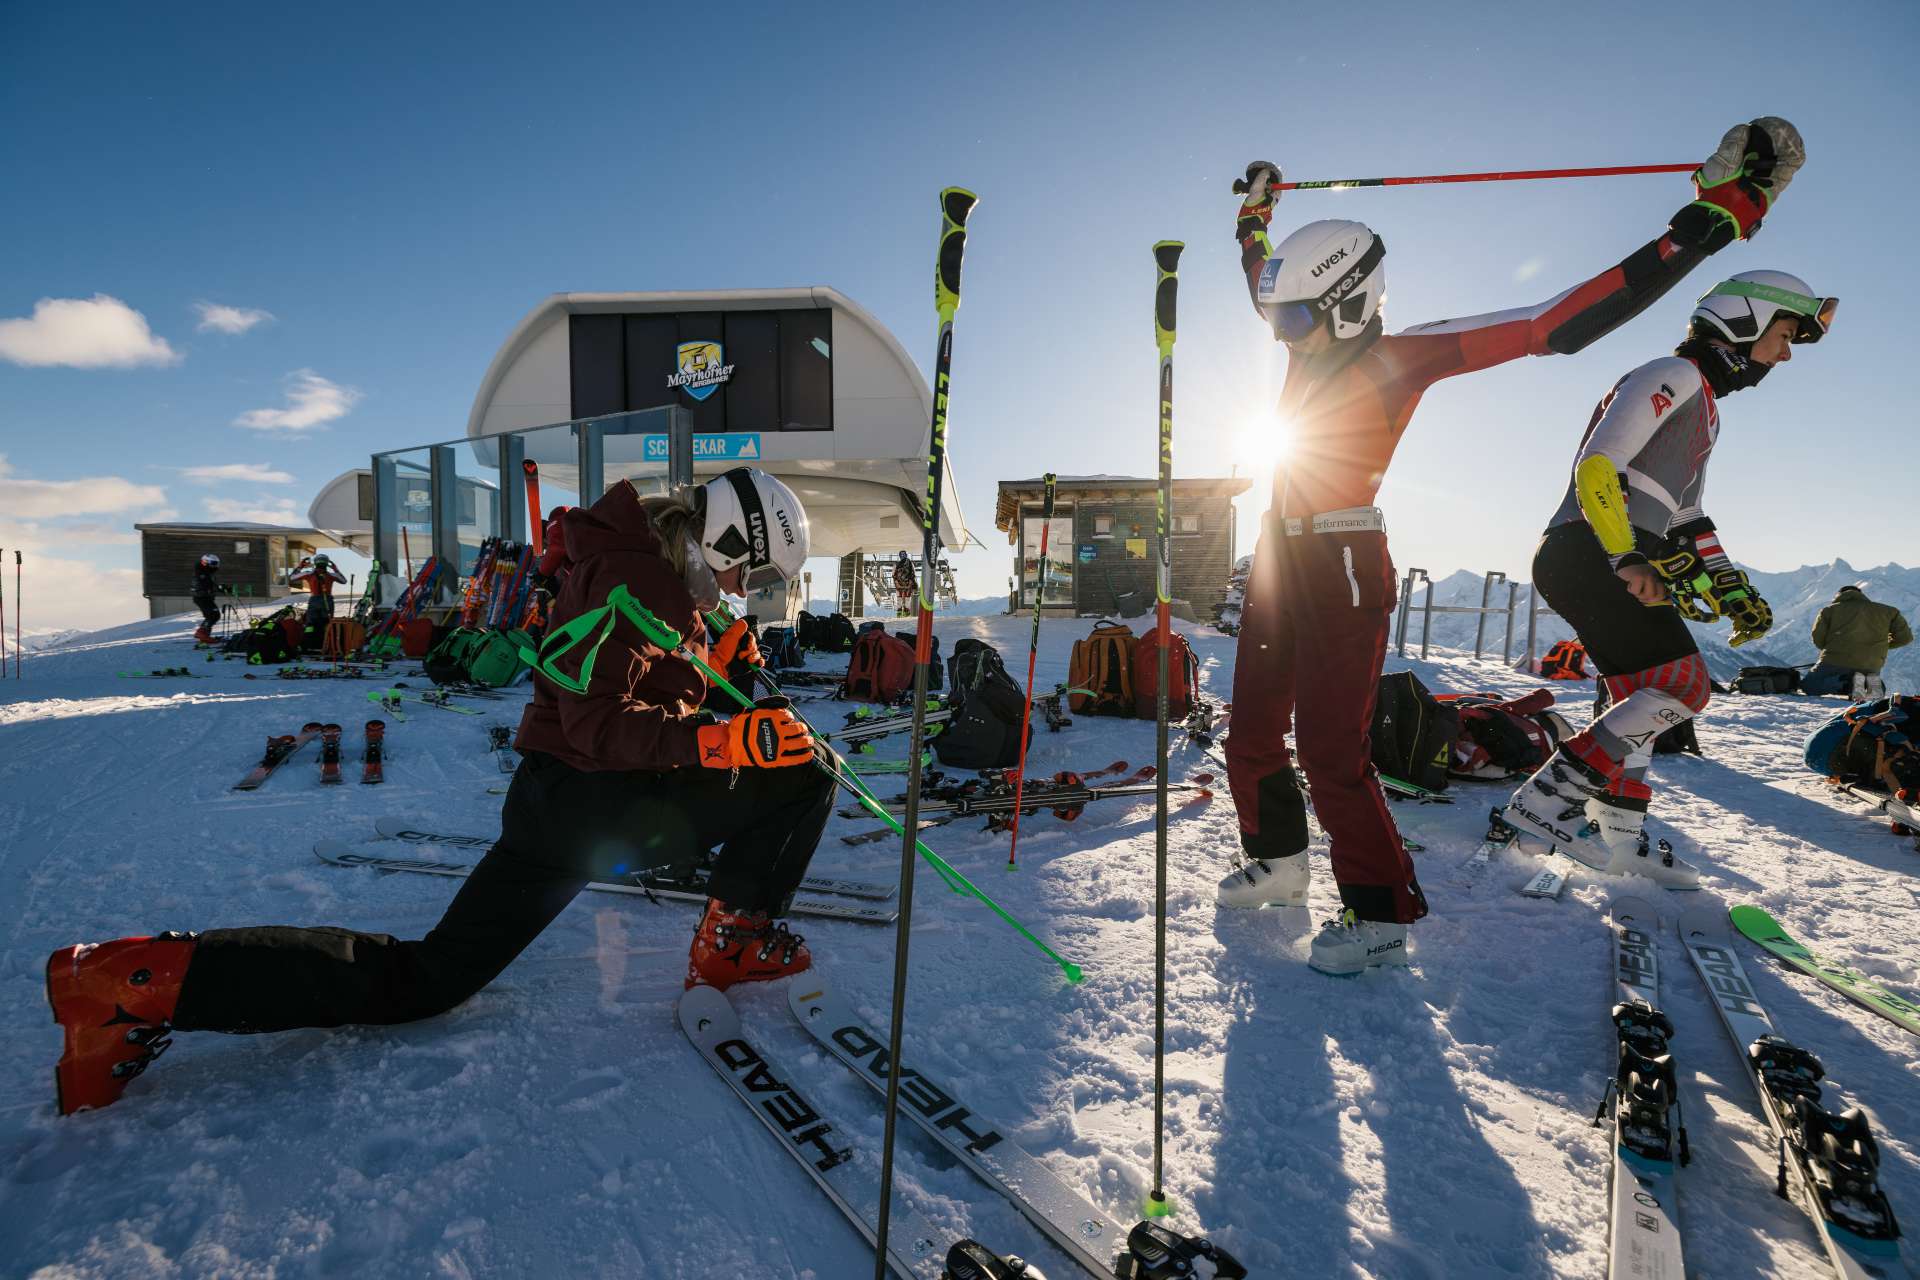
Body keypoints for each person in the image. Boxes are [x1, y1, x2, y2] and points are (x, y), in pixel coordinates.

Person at [45, 467, 825, 1115]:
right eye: (747, 573)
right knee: (806, 772)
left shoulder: (653, 582)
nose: (740, 591)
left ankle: (139, 981)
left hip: (562, 805)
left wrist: (723, 675)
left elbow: (644, 688)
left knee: (429, 979)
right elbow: (598, 724)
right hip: (594, 800)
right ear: (720, 540)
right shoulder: (633, 580)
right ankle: (734, 942)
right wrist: (721, 740)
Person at [1215, 117, 1804, 976]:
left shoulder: (1406, 357)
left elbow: (1552, 322)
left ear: (1351, 304)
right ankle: (1280, 863)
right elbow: (1258, 281)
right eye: (1275, 318)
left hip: (1342, 559)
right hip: (1276, 551)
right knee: (1253, 729)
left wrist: (1712, 223)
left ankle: (1378, 914)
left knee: (1333, 747)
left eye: (1297, 317)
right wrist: (1253, 220)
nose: (1281, 334)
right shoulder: (1304, 337)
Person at [1507, 270, 1836, 886]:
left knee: (1641, 696)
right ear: (1745, 320)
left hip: (1602, 552)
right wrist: (1625, 556)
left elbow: (1684, 514)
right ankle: (1545, 804)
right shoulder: (1673, 374)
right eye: (1785, 334)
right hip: (1590, 549)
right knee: (1684, 686)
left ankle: (1619, 833)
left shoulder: (1703, 404)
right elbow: (1599, 466)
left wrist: (1729, 584)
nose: (1786, 353)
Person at [1803, 584, 1911, 698]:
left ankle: (1846, 684)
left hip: (1835, 661)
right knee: (1868, 675)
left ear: (1839, 596)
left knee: (1809, 686)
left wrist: (1833, 649)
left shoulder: (1829, 610)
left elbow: (1818, 639)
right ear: (1861, 595)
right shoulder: (1890, 611)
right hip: (1871, 664)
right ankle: (1870, 685)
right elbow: (1905, 638)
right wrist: (1879, 646)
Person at [289, 552, 347, 632]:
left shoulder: (309, 574)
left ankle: (310, 640)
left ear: (316, 563)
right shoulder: (331, 575)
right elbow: (344, 581)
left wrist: (300, 566)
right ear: (326, 563)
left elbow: (292, 578)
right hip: (328, 601)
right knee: (327, 623)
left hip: (314, 601)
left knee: (311, 624)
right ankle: (325, 641)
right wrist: (335, 569)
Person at [191, 553, 225, 643]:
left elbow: (211, 584)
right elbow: (203, 584)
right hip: (202, 597)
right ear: (206, 563)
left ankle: (204, 636)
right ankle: (201, 633)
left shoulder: (205, 572)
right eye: (213, 564)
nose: (215, 566)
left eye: (216, 564)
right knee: (214, 615)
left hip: (205, 597)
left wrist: (221, 588)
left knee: (210, 615)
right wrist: (214, 589)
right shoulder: (201, 572)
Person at [893, 549, 916, 617]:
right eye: (901, 555)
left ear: (906, 555)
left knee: (907, 599)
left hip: (907, 584)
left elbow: (913, 574)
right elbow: (894, 575)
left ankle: (906, 613)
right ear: (900, 556)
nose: (903, 556)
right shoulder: (897, 564)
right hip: (900, 584)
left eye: (904, 555)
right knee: (900, 598)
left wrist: (911, 582)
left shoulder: (910, 564)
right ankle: (900, 613)